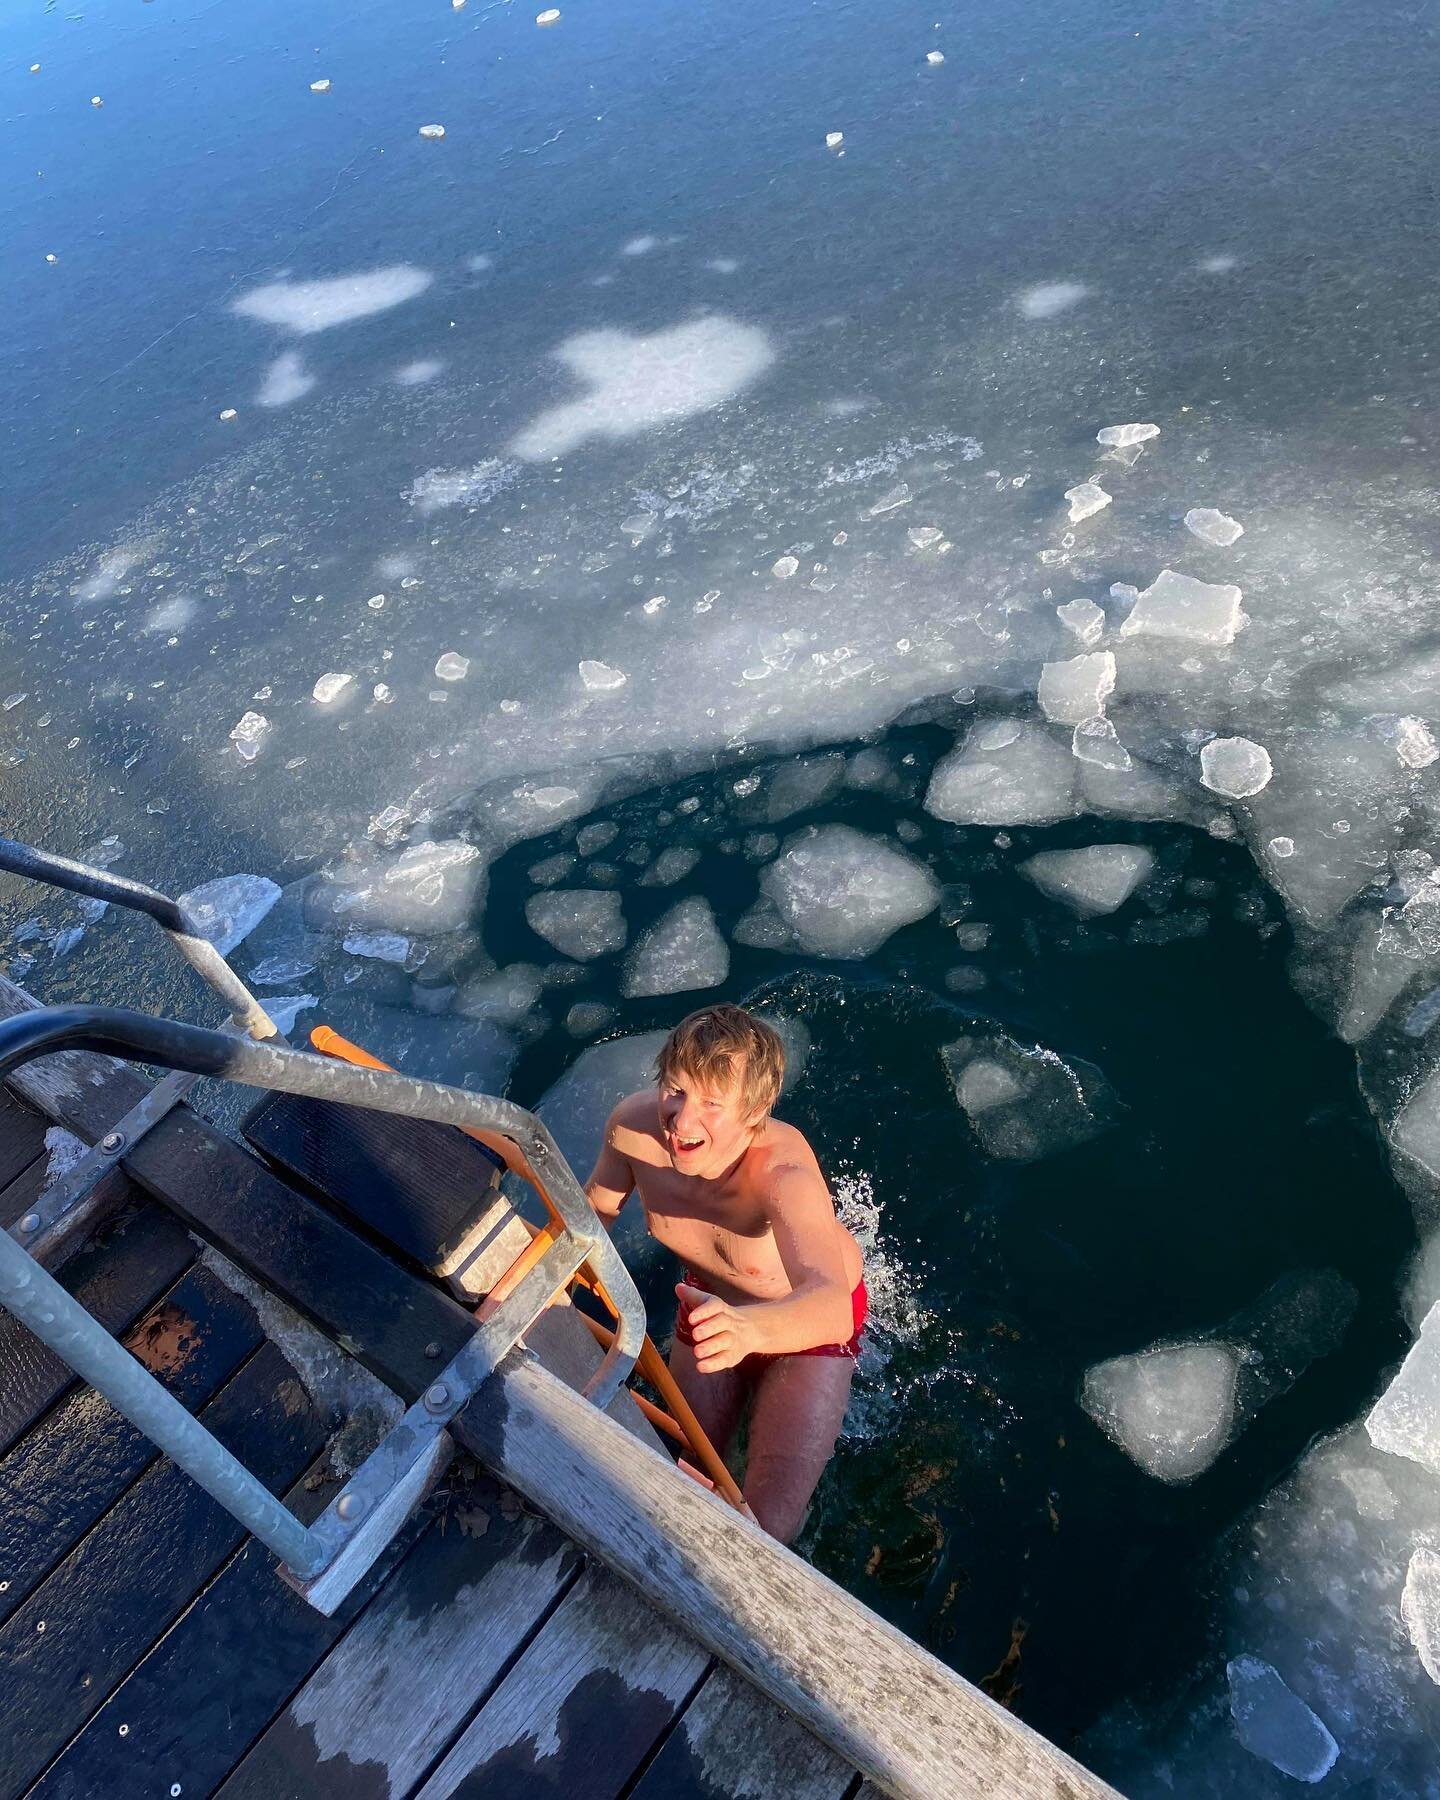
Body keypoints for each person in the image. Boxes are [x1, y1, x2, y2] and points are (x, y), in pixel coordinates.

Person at [584, 1003, 866, 1541]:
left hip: (803, 1326)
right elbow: (586, 1221)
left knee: (766, 1530)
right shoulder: (632, 1130)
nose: (682, 1121)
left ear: (756, 1110)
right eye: (675, 1089)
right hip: (710, 1304)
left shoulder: (783, 1174)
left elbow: (830, 1305)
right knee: (682, 1472)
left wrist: (752, 1331)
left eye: (712, 1103)